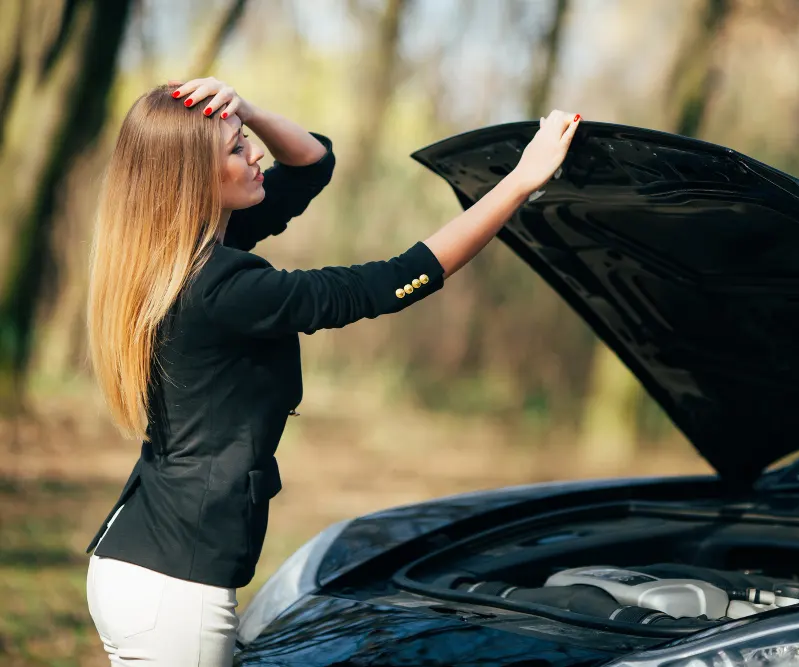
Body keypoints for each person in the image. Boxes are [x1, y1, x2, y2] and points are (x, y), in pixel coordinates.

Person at [82, 75, 581, 666]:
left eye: (246, 139)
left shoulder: (177, 256)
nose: (256, 152)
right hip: (174, 590)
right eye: (238, 149)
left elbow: (315, 164)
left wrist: (249, 107)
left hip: (141, 566)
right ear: (196, 179)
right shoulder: (223, 288)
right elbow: (392, 281)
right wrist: (520, 181)